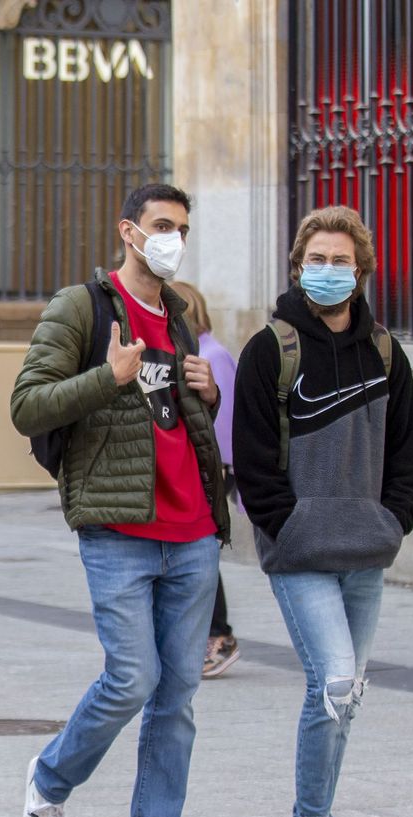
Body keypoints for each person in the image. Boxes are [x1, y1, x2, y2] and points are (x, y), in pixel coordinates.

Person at [9, 183, 227, 817]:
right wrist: (109, 375)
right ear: (129, 232)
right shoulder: (84, 306)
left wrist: (209, 394)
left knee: (179, 694)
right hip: (119, 528)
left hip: (191, 531)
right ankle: (49, 778)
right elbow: (27, 404)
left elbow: (177, 422)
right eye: (163, 225)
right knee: (132, 678)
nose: (174, 239)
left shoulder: (181, 318)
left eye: (183, 228)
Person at [232, 206, 413, 817]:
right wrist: (287, 526)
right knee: (334, 682)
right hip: (302, 554)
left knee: (350, 696)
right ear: (297, 266)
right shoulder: (270, 349)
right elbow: (250, 461)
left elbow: (408, 451)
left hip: (365, 551)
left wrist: (394, 518)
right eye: (318, 258)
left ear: (362, 271)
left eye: (342, 261)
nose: (329, 271)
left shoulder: (383, 351)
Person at [171, 281, 242, 678]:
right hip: (197, 469)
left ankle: (219, 636)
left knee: (202, 555)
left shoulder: (212, 356)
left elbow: (228, 425)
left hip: (213, 470)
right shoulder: (191, 355)